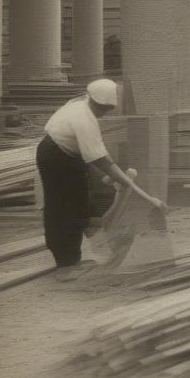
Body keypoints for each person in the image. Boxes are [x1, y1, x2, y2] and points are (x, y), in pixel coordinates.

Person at [36, 79, 166, 280]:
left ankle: (76, 257)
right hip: (56, 156)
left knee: (79, 204)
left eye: (109, 109)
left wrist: (118, 180)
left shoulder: (81, 104)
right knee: (62, 208)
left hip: (69, 155)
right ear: (96, 102)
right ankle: (65, 264)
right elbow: (101, 161)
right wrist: (126, 182)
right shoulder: (83, 118)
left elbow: (100, 159)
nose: (105, 113)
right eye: (104, 109)